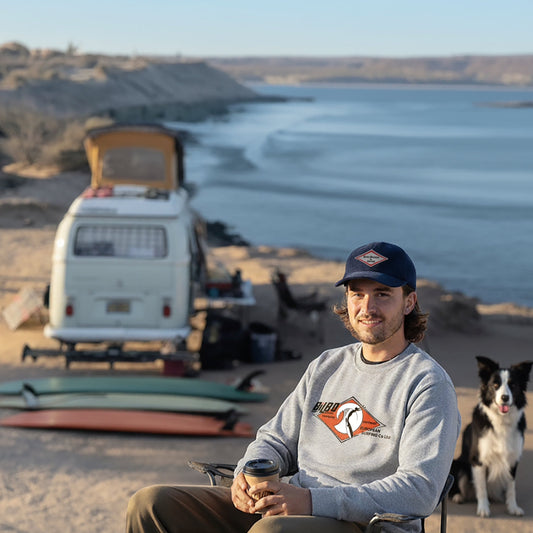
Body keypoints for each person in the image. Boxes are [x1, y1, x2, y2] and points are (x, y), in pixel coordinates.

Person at [126, 241, 461, 533]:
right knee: (151, 504)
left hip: (367, 525)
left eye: (382, 295)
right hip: (292, 508)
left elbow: (418, 490)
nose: (367, 307)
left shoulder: (427, 383)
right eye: (357, 294)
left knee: (273, 531)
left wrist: (312, 501)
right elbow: (276, 440)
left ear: (409, 302)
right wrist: (247, 474)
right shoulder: (328, 366)